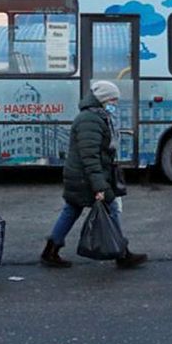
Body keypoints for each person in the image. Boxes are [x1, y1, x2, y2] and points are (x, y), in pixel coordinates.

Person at [41, 80, 148, 269]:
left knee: (71, 210)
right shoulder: (90, 120)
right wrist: (100, 186)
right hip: (86, 177)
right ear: (104, 99)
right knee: (111, 208)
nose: (115, 103)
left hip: (80, 176)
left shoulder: (96, 116)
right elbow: (90, 157)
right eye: (113, 100)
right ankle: (122, 254)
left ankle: (50, 251)